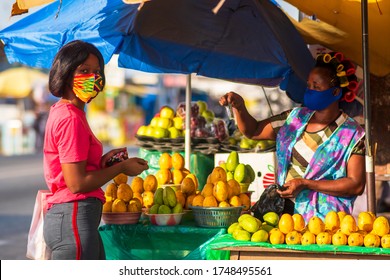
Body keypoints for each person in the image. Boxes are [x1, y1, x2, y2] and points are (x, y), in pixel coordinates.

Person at [219, 52, 365, 222]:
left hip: (323, 224)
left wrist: (306, 183)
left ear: (335, 93)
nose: (310, 90)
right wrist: (240, 107)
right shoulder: (293, 119)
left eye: (316, 87)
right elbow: (254, 130)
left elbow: (355, 185)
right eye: (309, 85)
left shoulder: (353, 134)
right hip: (280, 215)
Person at [42, 40, 149, 260]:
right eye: (83, 71)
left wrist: (101, 163)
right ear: (66, 73)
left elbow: (74, 168)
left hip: (74, 221)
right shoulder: (70, 117)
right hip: (73, 219)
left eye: (96, 72)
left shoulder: (69, 112)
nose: (92, 77)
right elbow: (76, 183)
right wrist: (121, 167)